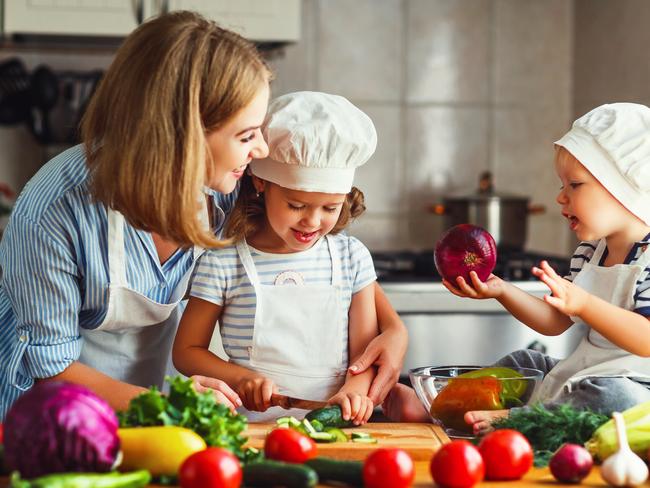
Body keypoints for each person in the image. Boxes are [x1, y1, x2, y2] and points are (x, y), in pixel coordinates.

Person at [0, 12, 407, 420]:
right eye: (246, 136)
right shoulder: (55, 213)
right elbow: (51, 371)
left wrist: (394, 330)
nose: (261, 151)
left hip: (153, 413)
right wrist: (170, 405)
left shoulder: (225, 188)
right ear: (183, 135)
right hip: (47, 422)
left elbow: (350, 274)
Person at [383, 102, 650, 433]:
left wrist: (584, 303)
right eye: (561, 185)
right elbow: (555, 323)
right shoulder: (591, 252)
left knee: (613, 397)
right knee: (526, 364)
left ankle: (520, 420)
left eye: (575, 185)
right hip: (584, 375)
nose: (560, 198)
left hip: (635, 388)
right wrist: (502, 289)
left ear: (624, 185)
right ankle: (436, 407)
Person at [173, 91, 380, 424]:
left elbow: (364, 357)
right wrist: (240, 378)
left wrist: (353, 392)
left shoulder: (352, 258)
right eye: (296, 205)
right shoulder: (223, 261)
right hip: (249, 427)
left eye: (330, 208)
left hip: (334, 428)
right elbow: (186, 351)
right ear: (260, 182)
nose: (312, 222)